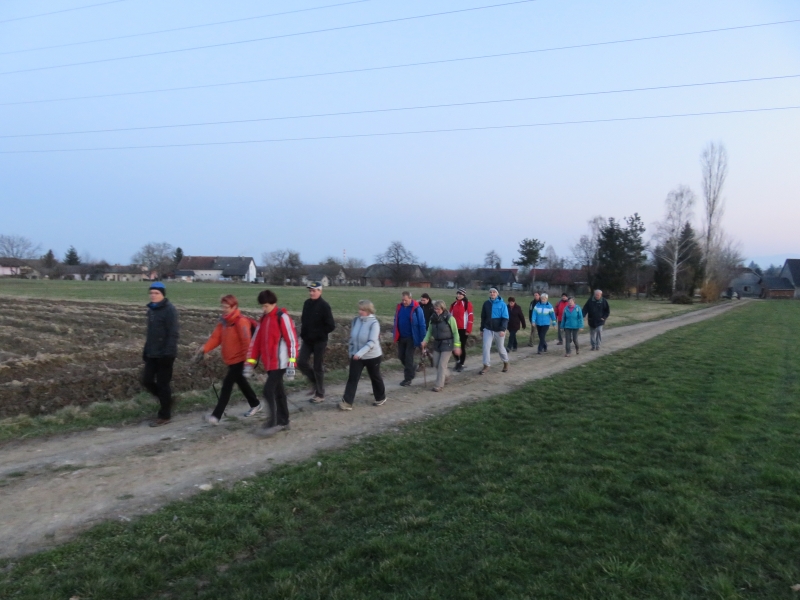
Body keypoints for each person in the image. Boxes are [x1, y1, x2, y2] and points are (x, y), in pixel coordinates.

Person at [194, 295, 261, 425]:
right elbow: (216, 338)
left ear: (234, 307)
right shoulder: (224, 322)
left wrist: (249, 363)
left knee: (227, 385)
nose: (224, 309)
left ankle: (216, 416)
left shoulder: (241, 322)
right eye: (222, 306)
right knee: (241, 382)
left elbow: (247, 344)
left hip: (242, 360)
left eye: (226, 307)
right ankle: (255, 404)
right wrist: (205, 348)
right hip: (231, 360)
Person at [245, 290, 298, 437]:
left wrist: (292, 364)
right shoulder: (263, 320)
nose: (264, 309)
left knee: (268, 390)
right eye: (262, 306)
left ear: (274, 303)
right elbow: (256, 342)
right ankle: (284, 421)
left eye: (266, 306)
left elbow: (292, 341)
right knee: (279, 392)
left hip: (281, 363)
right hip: (269, 363)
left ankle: (272, 422)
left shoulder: (282, 318)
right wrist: (250, 363)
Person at [142, 282, 179, 427]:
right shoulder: (151, 310)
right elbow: (150, 334)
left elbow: (173, 333)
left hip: (165, 354)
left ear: (163, 294)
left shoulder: (169, 310)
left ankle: (164, 415)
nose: (153, 295)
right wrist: (146, 350)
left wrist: (168, 353)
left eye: (156, 293)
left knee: (163, 384)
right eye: (151, 293)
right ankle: (167, 401)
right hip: (152, 352)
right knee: (147, 380)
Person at [339, 300, 386, 411]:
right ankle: (347, 402)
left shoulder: (374, 323)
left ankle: (381, 397)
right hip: (356, 355)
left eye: (363, 310)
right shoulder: (356, 321)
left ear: (369, 310)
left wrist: (359, 353)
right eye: (359, 309)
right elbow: (352, 338)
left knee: (375, 377)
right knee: (352, 378)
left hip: (372, 356)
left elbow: (372, 342)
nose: (360, 312)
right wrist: (351, 352)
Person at [298, 281, 336, 404]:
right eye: (310, 291)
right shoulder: (307, 304)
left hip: (319, 341)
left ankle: (320, 394)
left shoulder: (324, 306)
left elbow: (331, 325)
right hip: (307, 340)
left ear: (320, 291)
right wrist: (303, 334)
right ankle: (315, 382)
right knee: (301, 362)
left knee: (317, 366)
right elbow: (304, 320)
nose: (311, 293)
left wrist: (319, 333)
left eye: (314, 291)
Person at [421, 300, 462, 391]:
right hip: (437, 344)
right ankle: (447, 375)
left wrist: (457, 346)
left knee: (442, 365)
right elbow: (429, 331)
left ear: (443, 308)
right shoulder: (433, 318)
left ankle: (439, 385)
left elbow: (455, 333)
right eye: (435, 309)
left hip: (448, 344)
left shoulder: (450, 318)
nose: (436, 311)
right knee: (436, 364)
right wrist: (425, 341)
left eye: (438, 309)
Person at [392, 291, 427, 386]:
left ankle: (408, 379)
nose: (404, 302)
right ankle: (412, 368)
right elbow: (396, 320)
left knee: (408, 358)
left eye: (406, 300)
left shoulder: (417, 309)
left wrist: (423, 339)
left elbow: (422, 324)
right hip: (401, 337)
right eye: (402, 300)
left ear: (410, 299)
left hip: (412, 337)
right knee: (401, 356)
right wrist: (394, 334)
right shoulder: (399, 307)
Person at [479, 287, 509, 375]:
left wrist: (503, 329)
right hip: (488, 328)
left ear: (497, 294)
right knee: (486, 346)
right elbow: (483, 317)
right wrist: (481, 329)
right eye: (491, 292)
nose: (492, 293)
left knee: (500, 348)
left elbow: (505, 318)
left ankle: (506, 362)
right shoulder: (486, 304)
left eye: (494, 292)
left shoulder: (502, 304)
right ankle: (486, 365)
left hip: (499, 330)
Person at [449, 288, 473, 372]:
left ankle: (461, 364)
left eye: (461, 294)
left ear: (464, 295)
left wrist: (468, 329)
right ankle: (458, 361)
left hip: (463, 329)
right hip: (454, 329)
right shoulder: (453, 304)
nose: (459, 295)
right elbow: (450, 316)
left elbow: (470, 317)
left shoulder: (467, 304)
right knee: (454, 346)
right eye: (458, 294)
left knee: (461, 347)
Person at [417, 293, 435, 370]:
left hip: (427, 329)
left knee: (423, 346)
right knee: (421, 346)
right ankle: (431, 357)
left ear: (428, 299)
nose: (422, 301)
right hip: (419, 328)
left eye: (424, 300)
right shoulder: (419, 306)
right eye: (421, 300)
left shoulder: (431, 308)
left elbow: (433, 319)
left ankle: (422, 364)